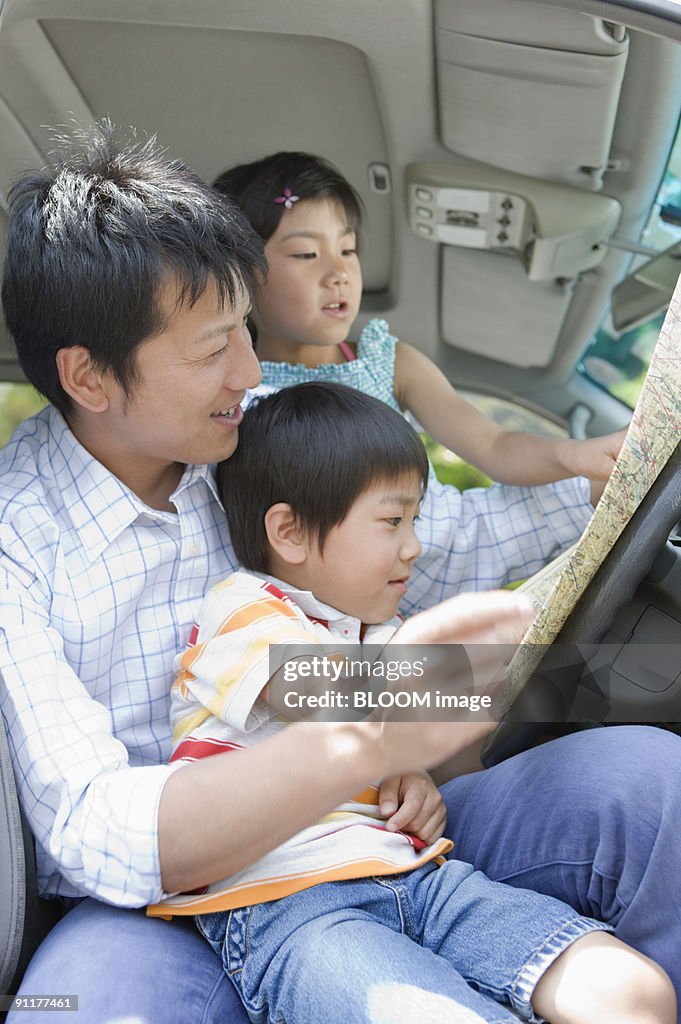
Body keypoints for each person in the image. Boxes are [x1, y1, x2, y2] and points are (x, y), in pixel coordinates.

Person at [0, 122, 680, 1023]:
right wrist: (368, 729)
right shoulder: (17, 540)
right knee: (79, 1008)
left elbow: (433, 540)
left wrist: (622, 479)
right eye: (212, 349)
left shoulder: (260, 436)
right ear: (89, 378)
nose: (250, 369)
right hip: (155, 901)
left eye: (245, 327)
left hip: (368, 824)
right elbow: (89, 824)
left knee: (645, 779)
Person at [148, 379, 674, 1024]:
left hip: (421, 879)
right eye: (392, 521)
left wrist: (419, 771)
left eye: (416, 520)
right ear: (288, 532)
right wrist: (443, 667)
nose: (414, 545)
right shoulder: (243, 610)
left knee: (632, 991)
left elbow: (423, 740)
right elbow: (317, 688)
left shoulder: (380, 631)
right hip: (289, 908)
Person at [214, 151, 627, 615]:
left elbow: (495, 445)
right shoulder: (232, 390)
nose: (339, 273)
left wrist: (574, 455)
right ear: (244, 277)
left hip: (441, 546)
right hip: (323, 604)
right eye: (306, 254)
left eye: (348, 249)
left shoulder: (389, 361)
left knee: (604, 488)